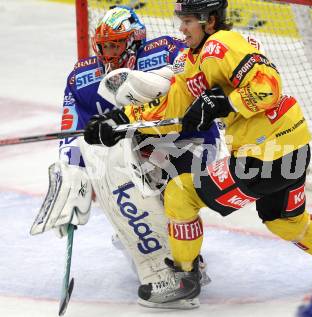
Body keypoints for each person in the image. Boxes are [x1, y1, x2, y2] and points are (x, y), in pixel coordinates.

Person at [83, 0, 312, 308]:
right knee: (284, 221)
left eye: (189, 21)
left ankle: (183, 278)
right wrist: (123, 120)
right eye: (182, 20)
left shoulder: (222, 45)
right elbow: (171, 108)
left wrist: (224, 103)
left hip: (263, 158)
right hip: (293, 149)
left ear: (210, 21)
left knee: (181, 194)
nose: (182, 28)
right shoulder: (190, 60)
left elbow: (268, 86)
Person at [30, 5, 218, 310]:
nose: (109, 52)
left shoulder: (166, 50)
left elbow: (197, 77)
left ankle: (184, 263)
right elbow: (73, 131)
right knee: (112, 176)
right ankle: (162, 259)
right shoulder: (82, 79)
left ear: (134, 40)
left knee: (173, 199)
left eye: (116, 44)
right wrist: (72, 171)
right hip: (142, 149)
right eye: (104, 46)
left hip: (190, 142)